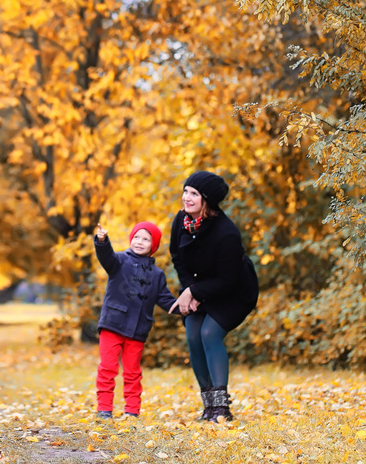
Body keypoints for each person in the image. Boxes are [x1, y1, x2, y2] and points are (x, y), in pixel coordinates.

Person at [168, 171, 258, 422]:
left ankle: (221, 408)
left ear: (207, 200)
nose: (186, 197)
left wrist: (194, 292)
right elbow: (177, 257)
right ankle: (208, 406)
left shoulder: (226, 233)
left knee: (209, 333)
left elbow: (228, 280)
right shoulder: (181, 221)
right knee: (193, 335)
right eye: (186, 191)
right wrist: (190, 290)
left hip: (234, 292)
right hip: (198, 287)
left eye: (194, 194)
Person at [93, 221, 177, 419]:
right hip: (112, 324)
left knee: (133, 372)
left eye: (146, 239)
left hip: (138, 329)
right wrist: (102, 241)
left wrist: (186, 306)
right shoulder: (119, 260)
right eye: (137, 237)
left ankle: (132, 411)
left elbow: (166, 300)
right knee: (108, 368)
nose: (139, 242)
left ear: (153, 245)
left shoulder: (157, 275)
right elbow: (106, 256)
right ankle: (104, 409)